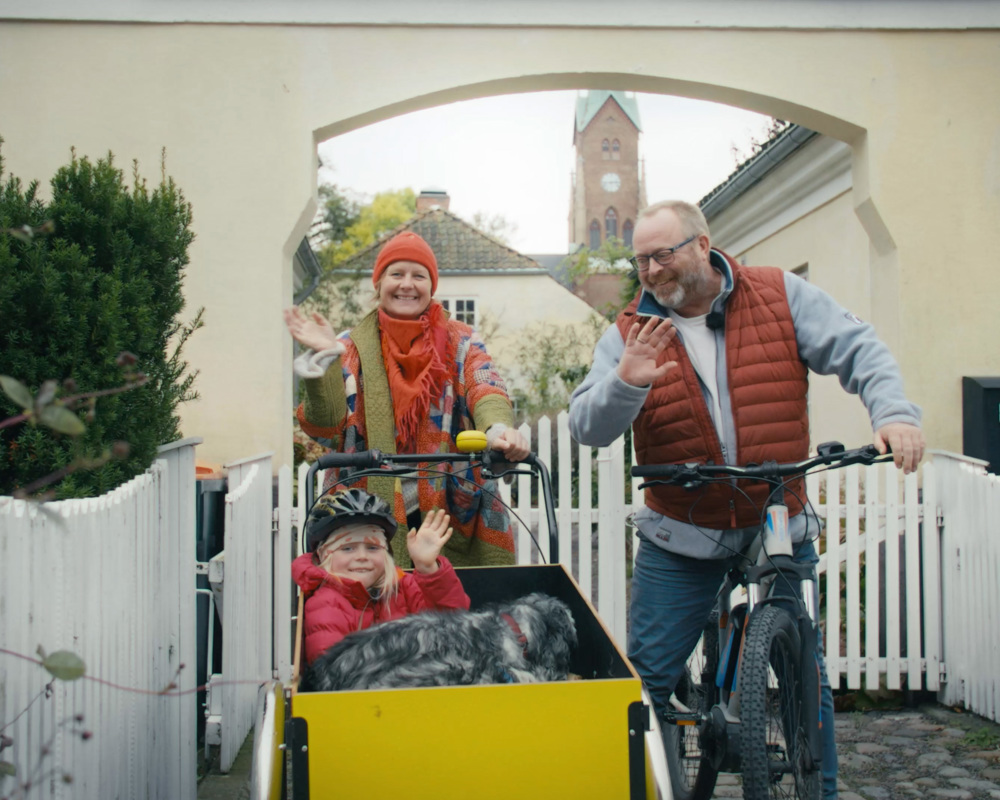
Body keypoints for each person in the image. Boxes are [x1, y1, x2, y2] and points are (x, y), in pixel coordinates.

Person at [568, 200, 924, 798]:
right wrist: (625, 380)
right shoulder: (628, 330)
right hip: (680, 526)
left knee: (804, 672)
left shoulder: (780, 295)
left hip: (776, 517)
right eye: (641, 259)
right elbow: (586, 426)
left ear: (703, 244)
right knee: (648, 680)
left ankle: (822, 790)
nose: (651, 270)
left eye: (664, 253)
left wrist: (892, 413)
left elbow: (858, 347)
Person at [285, 230, 529, 567]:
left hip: (451, 506)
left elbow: (485, 386)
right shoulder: (348, 346)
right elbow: (324, 426)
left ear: (431, 286)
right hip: (367, 512)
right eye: (396, 274)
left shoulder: (462, 341)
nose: (407, 284)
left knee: (455, 609)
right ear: (379, 283)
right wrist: (326, 358)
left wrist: (498, 429)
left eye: (418, 275)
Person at [292, 487, 471, 665]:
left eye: (373, 547)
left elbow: (452, 626)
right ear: (324, 554)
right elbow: (334, 669)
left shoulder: (404, 586)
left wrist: (427, 567)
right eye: (347, 548)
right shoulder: (327, 603)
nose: (362, 556)